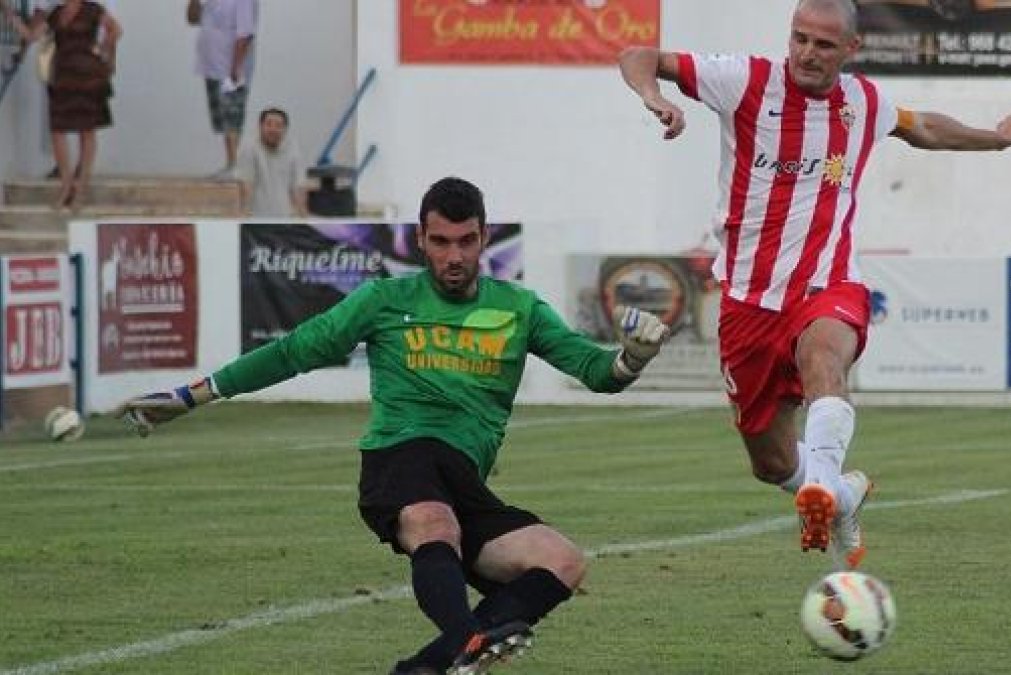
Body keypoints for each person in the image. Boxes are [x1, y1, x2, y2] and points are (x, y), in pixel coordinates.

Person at [118, 177, 670, 675]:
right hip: (399, 459)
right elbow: (291, 352)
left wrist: (633, 358)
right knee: (435, 523)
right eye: (440, 242)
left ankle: (428, 667)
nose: (453, 255)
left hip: (462, 480)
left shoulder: (519, 309)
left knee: (562, 561)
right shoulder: (384, 300)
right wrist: (193, 395)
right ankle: (467, 640)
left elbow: (595, 370)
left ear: (483, 238)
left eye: (466, 241)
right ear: (422, 240)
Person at [618, 0, 1011, 569]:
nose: (807, 53)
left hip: (826, 284)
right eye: (800, 39)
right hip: (747, 300)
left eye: (823, 44)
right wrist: (654, 97)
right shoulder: (743, 81)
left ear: (850, 50)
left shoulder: (862, 102)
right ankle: (839, 493)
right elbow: (639, 55)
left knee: (824, 362)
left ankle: (819, 489)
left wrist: (996, 137)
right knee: (768, 461)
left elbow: (925, 129)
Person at [3, 0, 120, 209]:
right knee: (58, 129)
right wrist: (11, 15)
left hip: (88, 76)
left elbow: (115, 29)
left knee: (87, 131)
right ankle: (66, 185)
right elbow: (32, 35)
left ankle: (80, 187)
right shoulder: (56, 13)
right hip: (63, 77)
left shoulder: (93, 10)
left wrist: (106, 51)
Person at [187, 0, 258, 178]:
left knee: (232, 115)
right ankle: (230, 164)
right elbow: (193, 19)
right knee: (221, 118)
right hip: (211, 65)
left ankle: (236, 165)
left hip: (231, 67)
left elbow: (246, 33)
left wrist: (236, 67)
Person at [236, 106, 308, 217]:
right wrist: (244, 215)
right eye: (268, 124)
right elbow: (246, 184)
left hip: (286, 218)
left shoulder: (294, 149)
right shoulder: (249, 148)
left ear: (285, 129)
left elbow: (298, 186)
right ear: (260, 127)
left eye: (278, 126)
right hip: (257, 218)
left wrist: (304, 217)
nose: (273, 129)